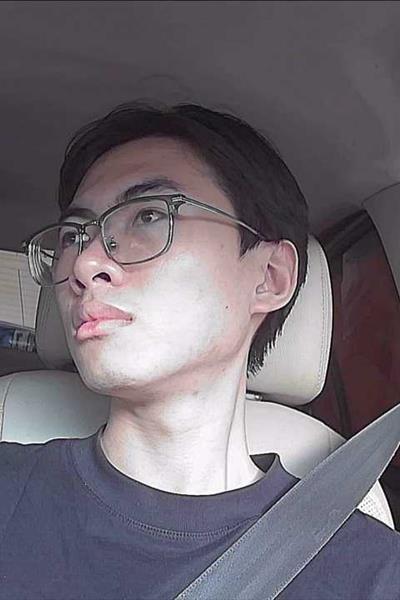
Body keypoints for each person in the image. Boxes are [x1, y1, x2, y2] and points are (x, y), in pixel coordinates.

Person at [1, 102, 399, 599]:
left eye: (149, 215)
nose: (83, 264)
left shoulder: (373, 573)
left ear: (269, 276)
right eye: (72, 236)